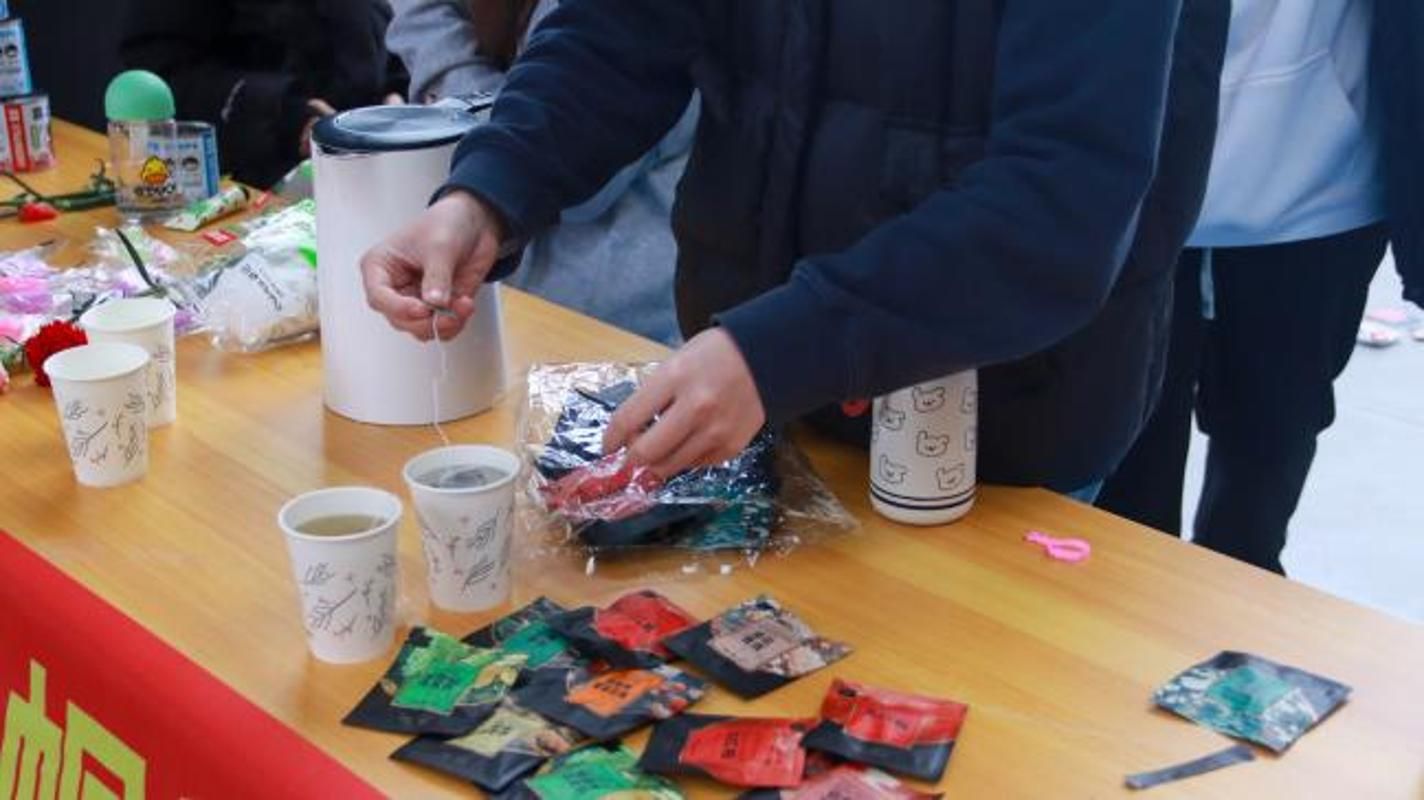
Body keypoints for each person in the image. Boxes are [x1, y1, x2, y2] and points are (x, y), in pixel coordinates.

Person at [361, 0, 1228, 493]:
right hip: (759, 383)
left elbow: (1063, 199)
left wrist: (779, 350)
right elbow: (619, 33)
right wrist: (490, 190)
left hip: (995, 423)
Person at [1098, 0, 1424, 573]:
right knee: (1120, 489)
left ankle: (1240, 608)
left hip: (1320, 190)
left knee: (1264, 471)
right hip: (1128, 184)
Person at [385, 0, 695, 344]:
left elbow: (586, 158)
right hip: (515, 311)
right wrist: (476, 199)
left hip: (629, 332)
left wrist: (477, 130)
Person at [121, 0, 409, 188]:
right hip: (254, 185)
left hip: (371, 169)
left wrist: (396, 90)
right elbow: (161, 72)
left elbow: (374, 30)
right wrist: (288, 116)